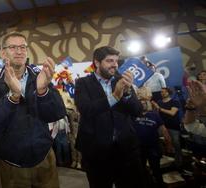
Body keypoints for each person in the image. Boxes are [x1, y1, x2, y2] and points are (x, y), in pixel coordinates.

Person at [0, 31, 66, 188]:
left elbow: (58, 112)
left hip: (44, 157)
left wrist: (43, 91)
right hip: (11, 163)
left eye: (22, 47)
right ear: (3, 52)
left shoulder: (39, 77)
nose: (19, 51)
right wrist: (13, 97)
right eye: (13, 47)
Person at [74, 46, 146, 188]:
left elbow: (137, 110)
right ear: (97, 62)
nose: (114, 65)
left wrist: (127, 93)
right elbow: (86, 109)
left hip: (126, 150)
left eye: (116, 61)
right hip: (96, 152)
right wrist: (114, 96)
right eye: (109, 61)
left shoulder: (122, 80)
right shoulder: (83, 83)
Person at [133, 100, 171, 188]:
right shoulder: (134, 115)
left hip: (153, 147)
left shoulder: (154, 115)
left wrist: (169, 144)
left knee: (156, 170)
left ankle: (159, 185)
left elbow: (164, 130)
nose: (143, 105)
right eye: (141, 104)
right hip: (139, 148)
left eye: (144, 103)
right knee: (140, 171)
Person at [151, 87, 182, 168]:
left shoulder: (174, 101)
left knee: (176, 143)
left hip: (173, 126)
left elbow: (172, 113)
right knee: (155, 141)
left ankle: (178, 162)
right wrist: (154, 108)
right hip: (161, 126)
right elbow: (156, 113)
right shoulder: (159, 102)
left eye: (164, 92)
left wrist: (159, 108)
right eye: (161, 92)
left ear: (169, 93)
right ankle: (161, 160)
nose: (162, 93)